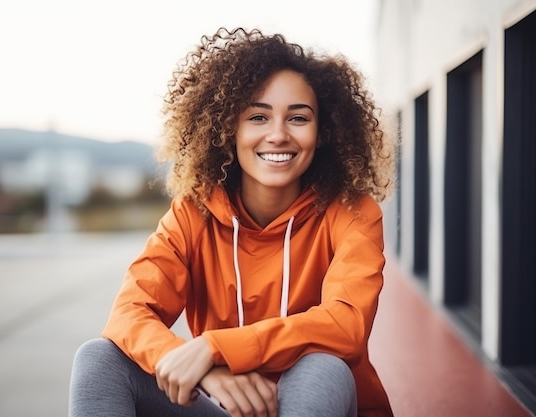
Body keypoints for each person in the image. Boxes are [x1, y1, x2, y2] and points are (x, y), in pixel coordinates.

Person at [69, 27, 394, 417]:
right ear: (229, 129)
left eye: (298, 118)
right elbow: (129, 314)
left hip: (317, 403)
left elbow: (346, 325)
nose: (277, 135)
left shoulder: (352, 212)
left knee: (323, 365)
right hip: (227, 406)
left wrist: (215, 348)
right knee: (99, 359)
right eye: (258, 116)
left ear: (322, 133)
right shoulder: (193, 214)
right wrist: (206, 370)